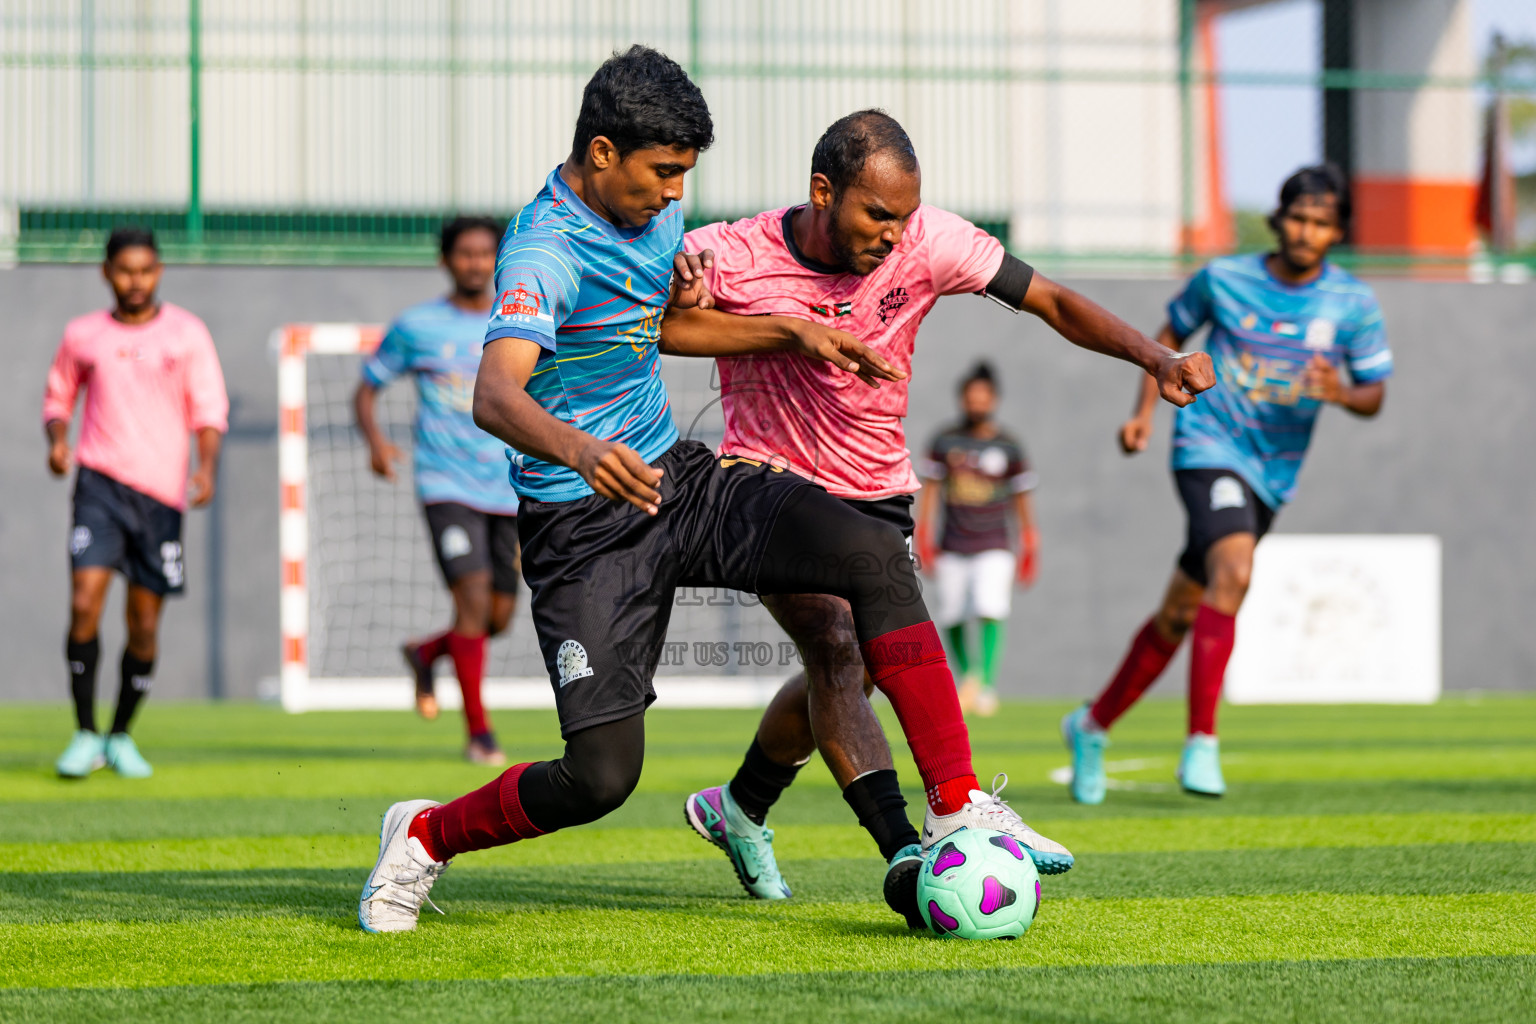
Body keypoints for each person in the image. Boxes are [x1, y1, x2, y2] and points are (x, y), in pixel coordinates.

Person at [356, 48, 1211, 935]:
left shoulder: (659, 216)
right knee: (601, 777)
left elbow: (662, 328)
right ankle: (422, 835)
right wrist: (580, 451)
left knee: (870, 558)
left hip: (675, 480)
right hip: (584, 520)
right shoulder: (541, 251)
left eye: (685, 176)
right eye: (663, 174)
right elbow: (496, 393)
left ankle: (955, 808)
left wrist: (786, 331)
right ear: (603, 153)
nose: (674, 195)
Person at [676, 109, 1214, 923]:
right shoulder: (733, 253)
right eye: (876, 215)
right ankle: (914, 846)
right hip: (774, 486)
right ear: (823, 191)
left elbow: (1054, 303)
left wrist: (1157, 358)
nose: (894, 235)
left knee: (848, 670)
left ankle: (740, 806)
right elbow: (664, 326)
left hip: (878, 487)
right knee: (831, 644)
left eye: (904, 217)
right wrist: (779, 333)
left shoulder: (932, 240)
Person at [1062, 164, 1393, 803]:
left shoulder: (1353, 303)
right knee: (1234, 571)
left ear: (1337, 231)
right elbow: (1166, 338)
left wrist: (1342, 393)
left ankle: (1090, 724)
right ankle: (1202, 744)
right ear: (1279, 218)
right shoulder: (1225, 279)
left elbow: (1375, 393)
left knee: (1183, 609)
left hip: (1273, 473)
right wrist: (1142, 414)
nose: (1306, 230)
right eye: (1298, 216)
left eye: (1321, 222)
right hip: (1208, 445)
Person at [43, 226, 228, 780]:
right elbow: (58, 396)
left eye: (145, 270)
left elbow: (209, 409)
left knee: (143, 624)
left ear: (159, 271)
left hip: (160, 498)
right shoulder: (82, 334)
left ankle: (120, 735)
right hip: (99, 485)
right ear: (106, 273)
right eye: (125, 270)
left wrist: (207, 467)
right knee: (83, 604)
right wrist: (57, 441)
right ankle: (83, 733)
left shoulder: (187, 334)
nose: (136, 280)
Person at [354, 216, 518, 765]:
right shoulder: (417, 326)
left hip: (512, 487)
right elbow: (367, 388)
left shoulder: (518, 323)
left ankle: (426, 652)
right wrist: (376, 443)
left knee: (496, 618)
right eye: (463, 253)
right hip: (446, 485)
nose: (474, 263)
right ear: (445, 260)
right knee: (471, 603)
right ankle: (480, 734)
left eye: (483, 254)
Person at [917, 361, 1039, 718]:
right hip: (953, 543)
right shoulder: (944, 441)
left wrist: (1030, 540)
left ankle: (981, 682)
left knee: (990, 608)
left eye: (983, 396)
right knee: (953, 614)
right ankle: (969, 679)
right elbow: (931, 491)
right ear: (962, 399)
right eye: (971, 396)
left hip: (995, 542)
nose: (976, 402)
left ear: (994, 399)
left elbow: (1021, 497)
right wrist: (923, 535)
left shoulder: (1010, 446)